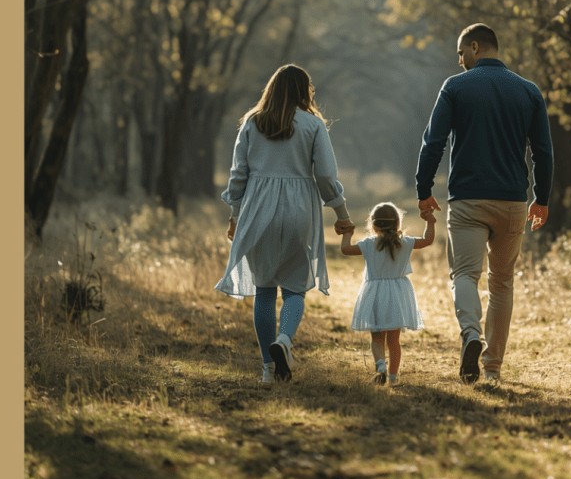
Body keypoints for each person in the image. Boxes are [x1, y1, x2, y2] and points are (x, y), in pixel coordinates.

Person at [415, 24, 553, 384]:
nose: (459, 61)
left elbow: (434, 142)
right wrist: (543, 198)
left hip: (468, 200)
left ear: (475, 47)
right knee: (502, 283)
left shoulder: (456, 86)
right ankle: (492, 368)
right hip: (512, 202)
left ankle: (471, 334)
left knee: (464, 274)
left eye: (461, 53)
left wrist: (423, 188)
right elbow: (543, 152)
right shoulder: (529, 91)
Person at [215, 64, 355, 385]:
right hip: (299, 211)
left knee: (264, 290)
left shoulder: (252, 123)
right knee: (294, 288)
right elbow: (326, 176)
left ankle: (268, 368)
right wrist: (342, 215)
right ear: (304, 91)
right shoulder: (313, 125)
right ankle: (285, 340)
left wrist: (235, 217)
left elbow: (238, 176)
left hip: (257, 211)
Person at [340, 202, 434, 386]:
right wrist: (430, 222)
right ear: (397, 224)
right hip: (398, 296)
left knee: (377, 337)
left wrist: (347, 234)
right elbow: (427, 240)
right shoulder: (404, 243)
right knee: (394, 341)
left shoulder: (368, 244)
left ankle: (380, 365)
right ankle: (393, 377)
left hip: (374, 294)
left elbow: (345, 249)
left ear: (373, 225)